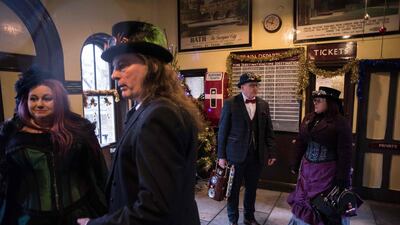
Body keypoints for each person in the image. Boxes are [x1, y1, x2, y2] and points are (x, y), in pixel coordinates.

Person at [77, 21, 204, 225]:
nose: (114, 74)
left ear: (152, 65)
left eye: (123, 65)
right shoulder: (150, 108)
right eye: (113, 67)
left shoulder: (159, 115)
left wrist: (94, 224)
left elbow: (154, 207)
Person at [0, 67, 108, 225]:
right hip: (31, 218)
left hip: (78, 214)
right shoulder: (12, 134)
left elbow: (99, 171)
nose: (39, 104)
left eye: (47, 98)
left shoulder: (79, 128)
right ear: (26, 100)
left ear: (58, 100)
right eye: (34, 98)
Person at [217, 72, 277, 225]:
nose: (255, 88)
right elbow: (222, 132)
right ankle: (233, 219)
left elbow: (268, 131)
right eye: (252, 85)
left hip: (256, 156)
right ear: (242, 87)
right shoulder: (231, 103)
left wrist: (272, 152)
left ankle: (249, 217)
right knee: (233, 190)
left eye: (256, 85)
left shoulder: (263, 104)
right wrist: (221, 156)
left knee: (251, 189)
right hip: (235, 155)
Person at [287, 86, 352, 225]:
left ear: (330, 102)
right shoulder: (309, 118)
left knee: (323, 204)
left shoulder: (340, 122)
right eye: (314, 100)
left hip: (326, 172)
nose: (315, 103)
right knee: (303, 201)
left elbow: (345, 153)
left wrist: (342, 179)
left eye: (319, 100)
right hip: (307, 169)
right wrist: (295, 161)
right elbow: (301, 141)